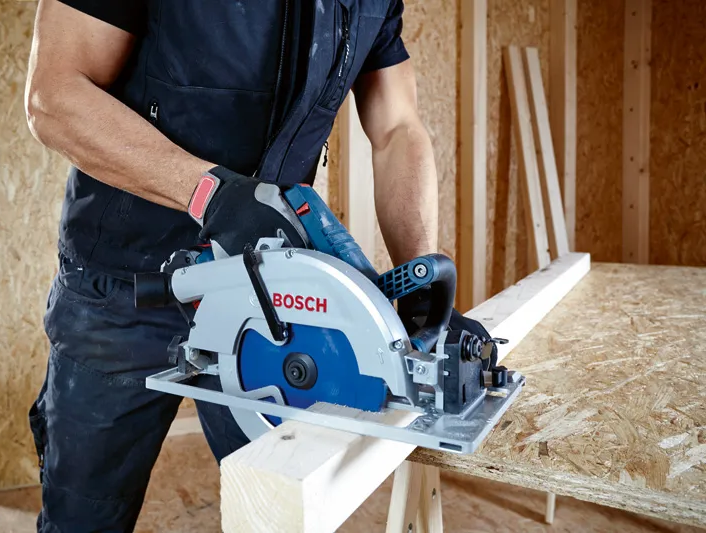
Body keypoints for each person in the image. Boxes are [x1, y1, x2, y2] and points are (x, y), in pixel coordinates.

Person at [24, 1, 459, 530]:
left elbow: (396, 127)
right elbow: (55, 95)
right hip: (124, 284)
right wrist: (210, 194)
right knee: (83, 516)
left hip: (265, 295)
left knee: (277, 508)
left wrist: (418, 269)